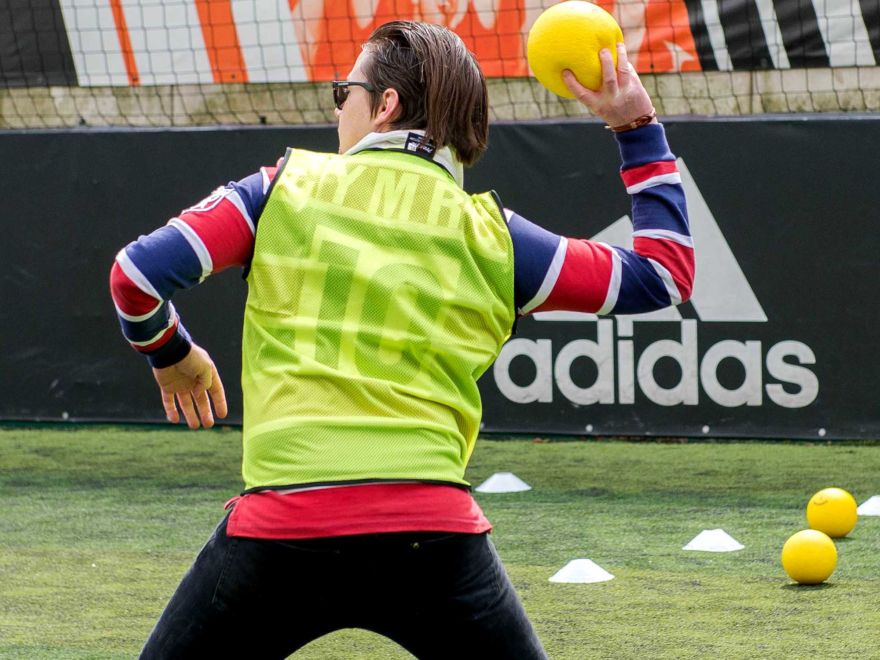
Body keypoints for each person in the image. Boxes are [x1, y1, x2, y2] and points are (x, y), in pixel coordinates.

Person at [110, 20, 693, 659]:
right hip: (433, 540)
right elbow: (664, 274)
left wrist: (171, 354)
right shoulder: (495, 237)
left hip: (281, 531)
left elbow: (135, 275)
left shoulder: (281, 190)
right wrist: (635, 126)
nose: (338, 109)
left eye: (345, 93)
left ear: (384, 106)